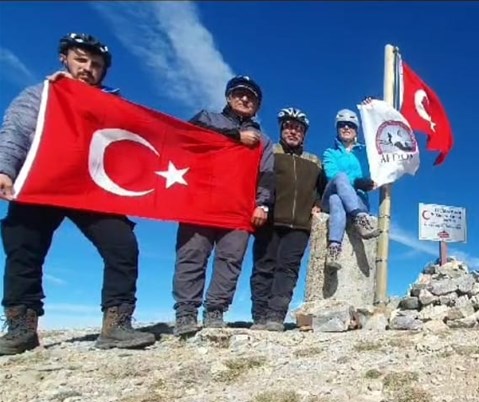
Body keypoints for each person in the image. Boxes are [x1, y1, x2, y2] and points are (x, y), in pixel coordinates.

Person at [0, 33, 156, 355]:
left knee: (122, 245)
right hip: (44, 182)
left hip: (91, 189)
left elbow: (137, 136)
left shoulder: (113, 103)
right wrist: (5, 169)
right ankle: (20, 328)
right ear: (65, 59)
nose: (87, 68)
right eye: (81, 60)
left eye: (95, 64)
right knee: (23, 246)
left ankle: (117, 324)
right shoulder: (41, 95)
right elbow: (15, 132)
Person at [171, 75, 275, 336]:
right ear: (229, 97)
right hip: (199, 203)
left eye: (251, 97)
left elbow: (267, 175)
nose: (245, 99)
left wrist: (262, 204)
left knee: (230, 260)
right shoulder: (207, 118)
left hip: (238, 208)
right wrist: (235, 135)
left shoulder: (264, 141)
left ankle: (215, 310)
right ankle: (186, 311)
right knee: (192, 255)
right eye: (239, 94)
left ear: (257, 106)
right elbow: (185, 134)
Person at [249, 107, 326, 331]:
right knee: (264, 267)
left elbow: (322, 190)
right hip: (269, 219)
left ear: (304, 134)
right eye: (289, 127)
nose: (293, 132)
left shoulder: (314, 161)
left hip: (300, 225)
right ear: (282, 130)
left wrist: (318, 206)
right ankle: (259, 316)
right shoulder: (269, 152)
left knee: (288, 270)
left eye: (298, 129)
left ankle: (275, 316)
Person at [320, 108, 379, 270]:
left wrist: (371, 108)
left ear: (356, 130)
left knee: (337, 200)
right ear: (337, 129)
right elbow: (331, 174)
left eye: (350, 125)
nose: (346, 128)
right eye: (342, 125)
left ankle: (333, 249)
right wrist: (357, 182)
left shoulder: (366, 153)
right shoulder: (330, 152)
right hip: (333, 190)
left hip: (356, 199)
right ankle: (360, 218)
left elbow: (376, 170)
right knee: (340, 177)